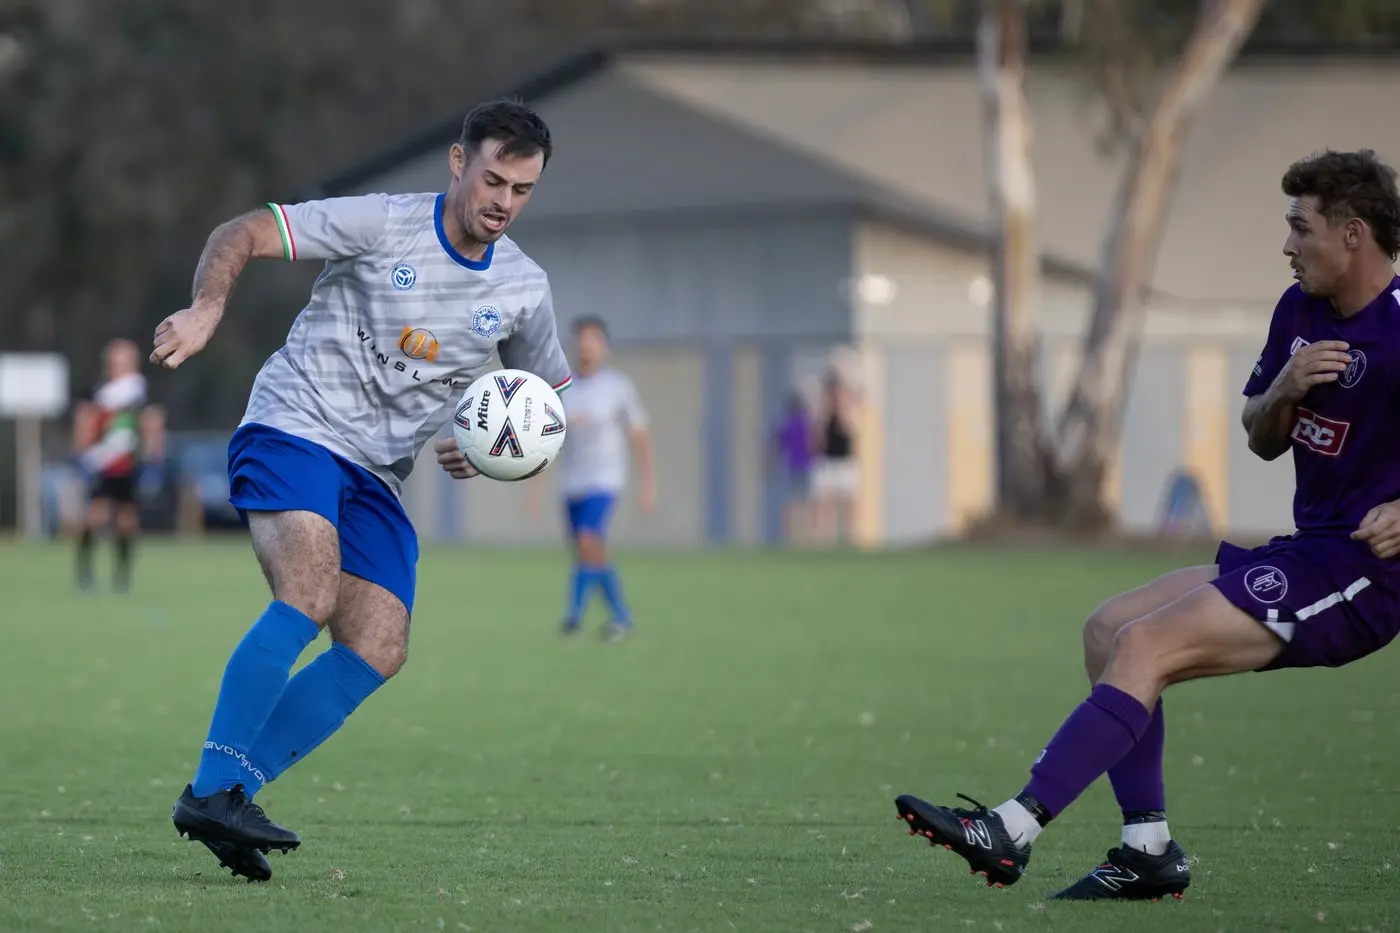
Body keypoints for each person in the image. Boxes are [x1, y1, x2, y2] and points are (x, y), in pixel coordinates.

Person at [893, 148, 1400, 901]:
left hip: (1363, 575)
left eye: (1301, 228)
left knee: (1147, 642)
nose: (1287, 245)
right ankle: (1147, 848)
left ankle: (1011, 827)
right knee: (1109, 629)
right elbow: (1260, 436)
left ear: (1353, 234)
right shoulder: (1298, 312)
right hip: (1307, 549)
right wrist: (1286, 389)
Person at [149, 99, 572, 883]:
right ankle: (211, 789)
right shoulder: (380, 223)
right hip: (294, 426)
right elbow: (241, 231)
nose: (503, 202)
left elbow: (544, 407)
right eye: (492, 179)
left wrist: (496, 453)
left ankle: (231, 789)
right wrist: (209, 307)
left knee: (379, 644)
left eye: (522, 190)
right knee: (306, 590)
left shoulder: (523, 287)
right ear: (458, 162)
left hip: (377, 471)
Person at [541, 315, 654, 641]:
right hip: (571, 482)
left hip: (605, 480)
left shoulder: (618, 387)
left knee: (589, 540)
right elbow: (547, 441)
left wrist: (648, 485)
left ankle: (573, 617)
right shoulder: (564, 388)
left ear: (604, 346)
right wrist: (535, 487)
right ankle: (621, 616)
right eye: (581, 339)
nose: (586, 345)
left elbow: (640, 436)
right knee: (588, 551)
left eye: (592, 339)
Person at [73, 338, 165, 592]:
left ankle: (122, 577)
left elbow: (153, 425)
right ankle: (85, 574)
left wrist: (153, 463)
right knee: (94, 518)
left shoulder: (141, 391)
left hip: (129, 466)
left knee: (126, 522)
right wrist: (82, 458)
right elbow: (84, 424)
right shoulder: (97, 390)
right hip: (101, 464)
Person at [809, 368, 858, 543]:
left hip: (845, 462)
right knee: (823, 504)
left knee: (848, 504)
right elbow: (816, 442)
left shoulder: (848, 411)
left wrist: (843, 410)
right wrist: (824, 415)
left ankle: (850, 538)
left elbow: (851, 432)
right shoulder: (822, 415)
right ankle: (823, 538)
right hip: (826, 462)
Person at [770, 391, 814, 543]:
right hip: (805, 465)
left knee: (794, 501)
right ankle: (802, 533)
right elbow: (813, 443)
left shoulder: (787, 424)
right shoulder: (806, 423)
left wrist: (772, 464)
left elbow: (778, 446)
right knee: (803, 501)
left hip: (793, 466)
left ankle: (793, 533)